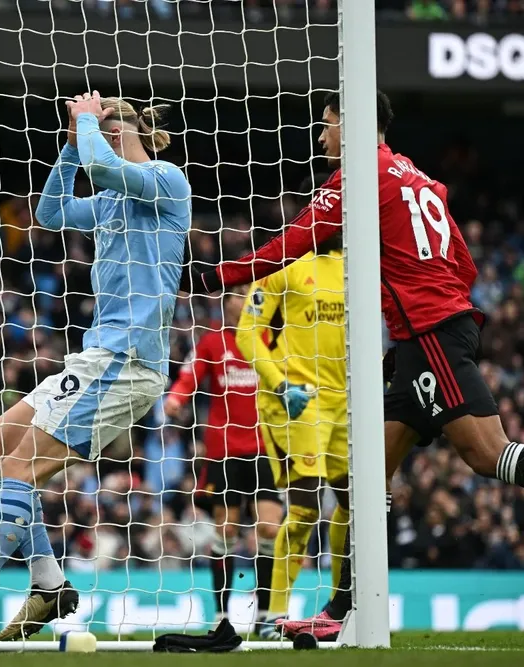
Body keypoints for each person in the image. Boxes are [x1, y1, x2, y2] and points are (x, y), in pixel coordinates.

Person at [185, 90, 524, 640]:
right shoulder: (419, 178)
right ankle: (338, 612)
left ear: (355, 125)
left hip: (430, 334)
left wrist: (212, 276)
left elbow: (291, 243)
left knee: (487, 454)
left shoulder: (358, 178)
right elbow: (465, 261)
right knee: (367, 477)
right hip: (430, 335)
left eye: (328, 126)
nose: (323, 137)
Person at [0, 91, 191, 641]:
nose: (104, 130)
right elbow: (49, 213)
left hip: (128, 362)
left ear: (136, 127)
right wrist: (72, 147)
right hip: (97, 356)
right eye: (100, 123)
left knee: (20, 470)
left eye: (111, 121)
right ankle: (49, 584)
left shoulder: (168, 180)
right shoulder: (109, 199)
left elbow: (103, 163)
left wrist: (88, 132)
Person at [234, 178, 350, 638]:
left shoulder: (354, 265)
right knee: (304, 510)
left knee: (353, 507)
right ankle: (271, 615)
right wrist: (281, 385)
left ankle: (339, 607)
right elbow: (247, 334)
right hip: (298, 404)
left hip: (346, 406)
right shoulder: (281, 262)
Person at [164, 288, 282, 630]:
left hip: (264, 447)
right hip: (224, 450)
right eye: (236, 294)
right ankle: (221, 614)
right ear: (225, 301)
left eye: (249, 294)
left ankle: (264, 615)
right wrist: (175, 399)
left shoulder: (269, 337)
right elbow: (189, 375)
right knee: (226, 532)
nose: (243, 300)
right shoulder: (212, 342)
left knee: (268, 528)